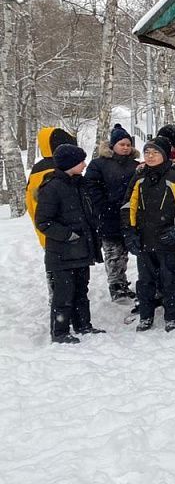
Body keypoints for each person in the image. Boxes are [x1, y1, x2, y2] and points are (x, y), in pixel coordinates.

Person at [120, 136, 175, 332]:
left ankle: (171, 315)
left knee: (170, 278)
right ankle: (146, 315)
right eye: (147, 152)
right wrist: (129, 232)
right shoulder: (139, 178)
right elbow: (127, 206)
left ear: (165, 155)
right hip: (144, 238)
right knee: (145, 280)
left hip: (169, 238)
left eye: (155, 152)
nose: (150, 156)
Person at [34, 144, 105, 343]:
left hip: (82, 250)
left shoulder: (79, 184)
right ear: (70, 164)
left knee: (81, 290)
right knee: (63, 294)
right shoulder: (52, 187)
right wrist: (68, 235)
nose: (84, 164)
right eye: (81, 161)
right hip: (62, 252)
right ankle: (60, 332)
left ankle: (83, 324)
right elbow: (43, 222)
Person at [84, 123, 138, 305]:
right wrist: (104, 205)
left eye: (128, 144)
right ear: (112, 145)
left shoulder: (136, 165)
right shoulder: (99, 164)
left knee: (126, 252)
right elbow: (91, 187)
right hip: (108, 215)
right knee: (114, 253)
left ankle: (123, 283)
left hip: (130, 215)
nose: (125, 147)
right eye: (121, 144)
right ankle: (116, 286)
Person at [27, 126, 78, 247]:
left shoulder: (37, 169)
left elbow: (30, 202)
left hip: (49, 230)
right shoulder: (61, 168)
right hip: (66, 231)